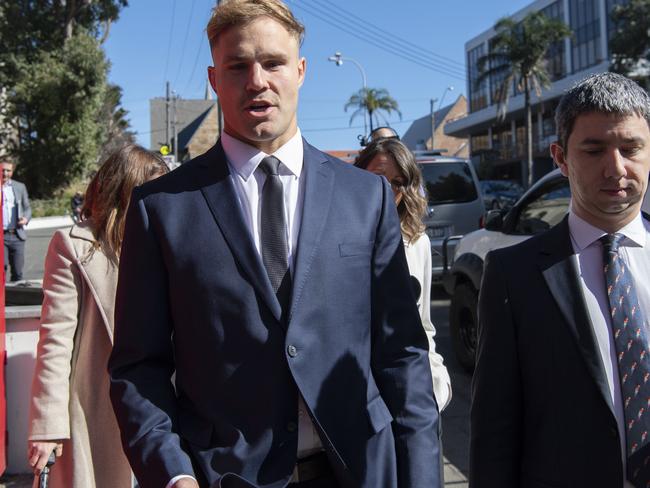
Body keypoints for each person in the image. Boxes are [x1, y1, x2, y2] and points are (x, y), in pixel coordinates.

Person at [108, 1, 441, 488]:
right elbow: (139, 367)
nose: (257, 80)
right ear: (214, 79)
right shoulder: (161, 208)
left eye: (273, 62)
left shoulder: (365, 196)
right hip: (223, 476)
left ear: (301, 70)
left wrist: (423, 477)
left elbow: (402, 355)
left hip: (363, 470)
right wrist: (172, 474)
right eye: (238, 66)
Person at [470, 72, 650, 488]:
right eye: (594, 149)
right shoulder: (513, 276)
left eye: (631, 148)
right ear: (561, 157)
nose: (616, 167)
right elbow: (495, 430)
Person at [27, 144, 169, 488]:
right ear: (124, 191)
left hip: (164, 411)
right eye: (149, 192)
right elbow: (55, 343)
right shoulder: (73, 247)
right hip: (98, 412)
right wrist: (48, 427)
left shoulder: (169, 243)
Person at [355, 138, 452, 410]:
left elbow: (424, 325)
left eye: (397, 183)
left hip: (414, 396)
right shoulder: (335, 240)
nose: (386, 190)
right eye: (377, 178)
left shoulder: (417, 242)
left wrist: (437, 382)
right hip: (360, 401)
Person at [2, 158, 31, 282]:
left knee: (18, 272)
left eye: (8, 170)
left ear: (12, 172)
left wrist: (26, 217)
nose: (5, 173)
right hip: (1, 237)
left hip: (17, 235)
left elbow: (27, 207)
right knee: (1, 268)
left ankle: (14, 300)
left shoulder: (20, 187)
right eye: (2, 170)